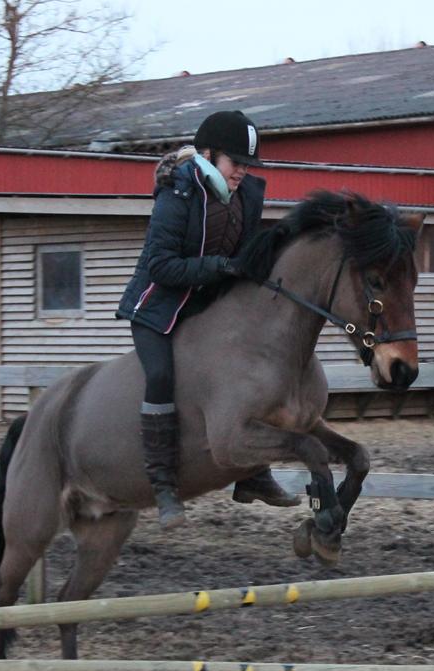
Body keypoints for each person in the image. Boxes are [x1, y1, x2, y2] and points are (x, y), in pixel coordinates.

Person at [116, 110, 299, 527]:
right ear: (209, 155)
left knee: (248, 366)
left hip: (205, 307)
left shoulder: (247, 194)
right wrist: (222, 267)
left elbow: (248, 253)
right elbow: (162, 266)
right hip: (156, 308)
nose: (242, 172)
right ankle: (163, 486)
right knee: (161, 377)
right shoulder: (177, 192)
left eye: (247, 164)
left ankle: (254, 475)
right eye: (237, 163)